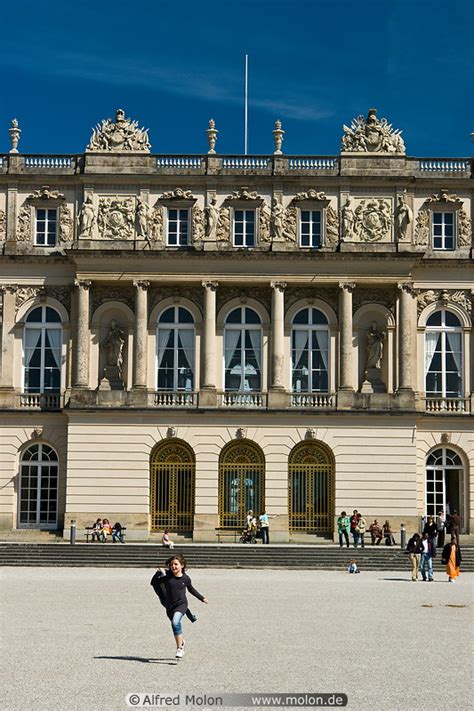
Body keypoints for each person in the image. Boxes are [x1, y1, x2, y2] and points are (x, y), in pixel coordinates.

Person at [150, 554, 208, 658]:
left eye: (176, 564)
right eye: (171, 564)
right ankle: (181, 642)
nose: (173, 566)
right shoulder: (167, 577)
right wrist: (157, 574)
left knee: (175, 622)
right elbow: (153, 583)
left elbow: (191, 589)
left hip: (181, 604)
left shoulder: (186, 578)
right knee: (175, 625)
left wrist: (201, 598)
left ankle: (179, 649)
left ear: (182, 565)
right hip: (169, 606)